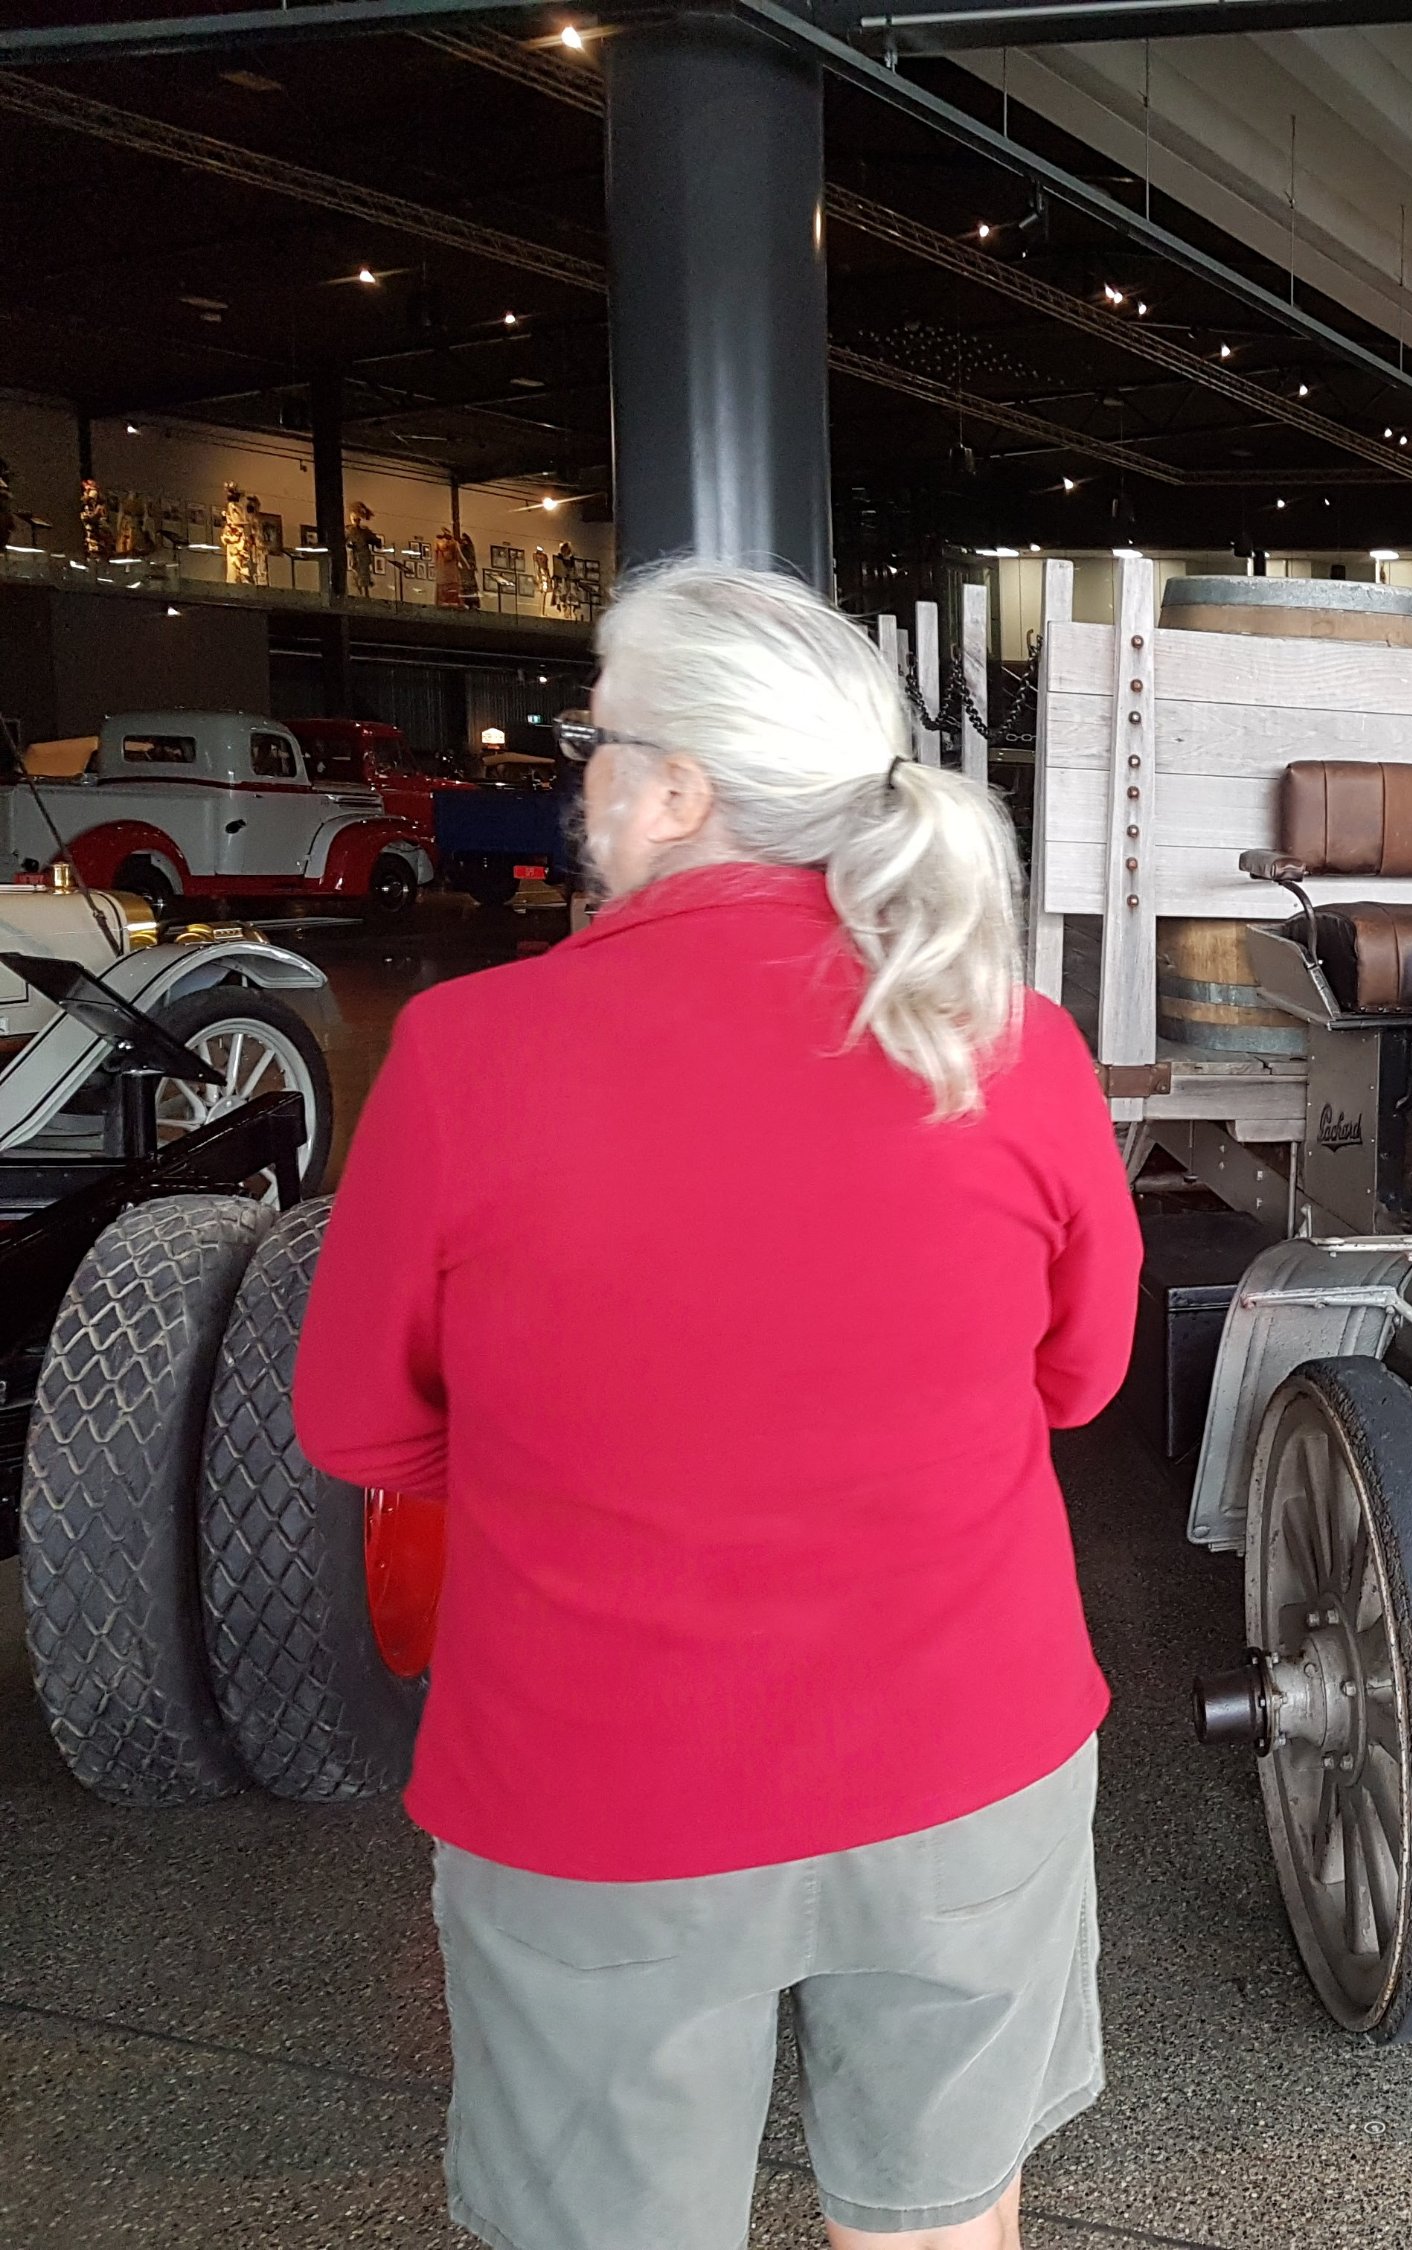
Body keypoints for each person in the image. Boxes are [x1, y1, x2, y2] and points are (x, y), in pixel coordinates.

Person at [296, 557, 1142, 2250]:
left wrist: (579, 1440)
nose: (581, 786)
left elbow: (358, 1425)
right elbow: (1080, 1375)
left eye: (592, 745)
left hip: (605, 1787)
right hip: (967, 1760)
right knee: (939, 2221)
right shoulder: (1011, 1042)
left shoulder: (468, 1053)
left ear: (678, 789)